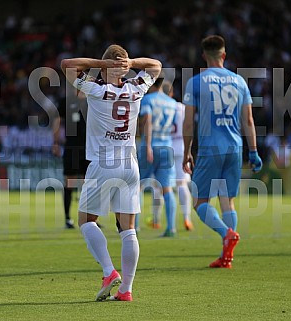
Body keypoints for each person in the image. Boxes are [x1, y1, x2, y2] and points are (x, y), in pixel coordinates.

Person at [61, 44, 161, 301]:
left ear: (105, 67)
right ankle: (126, 290)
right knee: (128, 229)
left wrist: (103, 64)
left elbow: (67, 65)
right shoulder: (136, 87)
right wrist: (132, 62)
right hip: (130, 165)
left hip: (103, 163)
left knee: (86, 220)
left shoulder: (96, 89)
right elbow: (156, 65)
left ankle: (108, 272)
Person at [182, 35, 262, 268]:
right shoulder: (239, 82)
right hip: (235, 147)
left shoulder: (195, 82)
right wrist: (254, 151)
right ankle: (227, 255)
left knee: (199, 201)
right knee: (228, 201)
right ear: (224, 55)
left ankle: (226, 235)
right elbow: (248, 119)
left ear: (203, 56)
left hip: (210, 147)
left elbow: (188, 123)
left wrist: (187, 151)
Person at [138, 77, 177, 237]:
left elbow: (147, 122)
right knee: (167, 188)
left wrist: (147, 145)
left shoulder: (147, 99)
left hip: (151, 145)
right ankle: (171, 228)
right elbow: (174, 127)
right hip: (167, 146)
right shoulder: (171, 102)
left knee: (138, 186)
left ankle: (135, 226)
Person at [52, 90, 89, 229]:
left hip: (90, 148)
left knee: (90, 183)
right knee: (70, 182)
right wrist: (55, 142)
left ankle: (90, 218)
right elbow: (57, 121)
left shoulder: (93, 99)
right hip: (72, 147)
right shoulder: (66, 101)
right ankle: (68, 218)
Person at [163, 81, 193, 231]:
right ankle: (186, 218)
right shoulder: (181, 108)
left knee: (162, 185)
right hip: (181, 145)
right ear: (172, 93)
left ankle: (157, 219)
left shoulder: (161, 106)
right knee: (182, 184)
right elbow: (189, 126)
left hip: (165, 145)